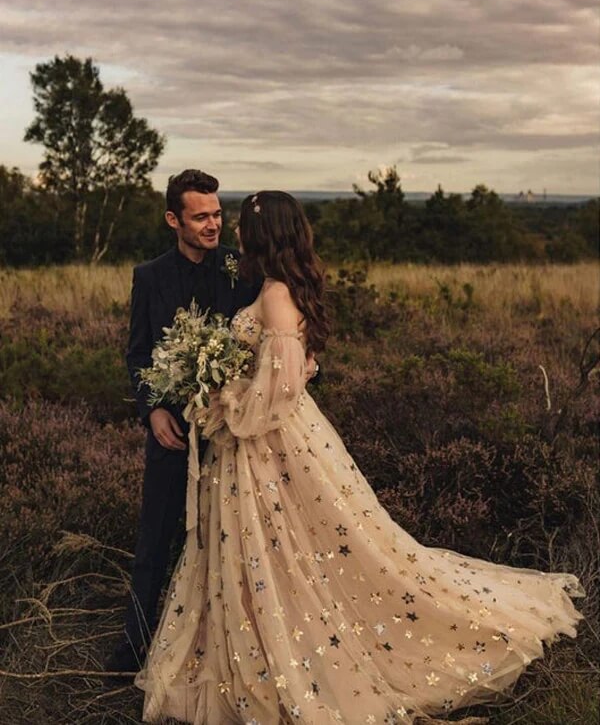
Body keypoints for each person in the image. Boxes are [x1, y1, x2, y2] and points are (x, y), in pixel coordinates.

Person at [135, 191, 583, 725]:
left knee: (291, 550)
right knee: (279, 550)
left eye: (239, 224)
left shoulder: (276, 295)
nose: (230, 231)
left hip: (266, 445)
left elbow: (278, 391)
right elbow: (294, 369)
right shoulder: (279, 287)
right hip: (266, 445)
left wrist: (221, 405)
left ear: (264, 233)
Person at [107, 170, 260, 675]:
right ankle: (133, 646)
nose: (213, 224)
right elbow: (138, 352)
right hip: (171, 431)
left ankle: (220, 646)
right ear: (174, 219)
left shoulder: (241, 268)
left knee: (229, 538)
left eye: (217, 214)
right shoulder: (149, 277)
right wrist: (152, 409)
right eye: (201, 216)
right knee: (155, 536)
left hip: (231, 432)